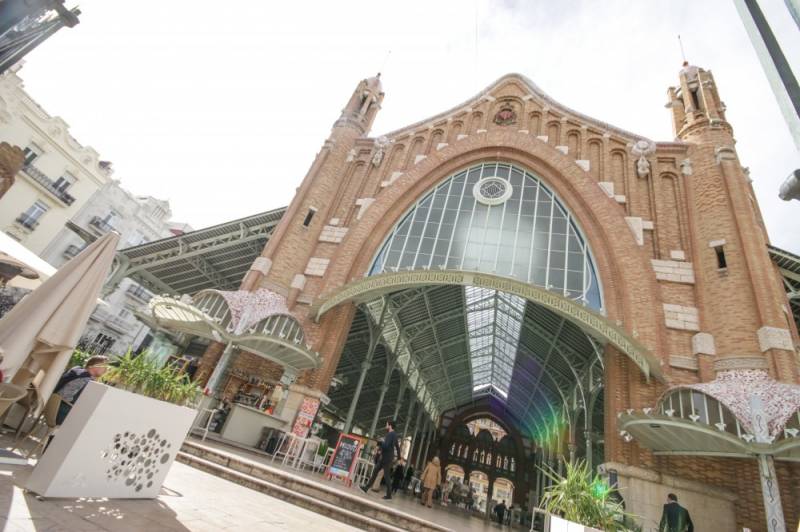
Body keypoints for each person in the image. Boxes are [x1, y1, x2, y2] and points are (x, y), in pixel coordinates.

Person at [53, 355, 108, 425]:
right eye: (104, 366)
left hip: (54, 408)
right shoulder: (84, 378)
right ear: (95, 366)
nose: (106, 370)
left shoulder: (78, 372)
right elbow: (63, 395)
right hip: (60, 412)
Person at [361, 420, 401, 500]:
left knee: (386, 476)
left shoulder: (390, 434)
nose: (386, 425)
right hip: (388, 457)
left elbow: (386, 446)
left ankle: (389, 495)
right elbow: (397, 447)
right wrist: (399, 457)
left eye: (387, 424)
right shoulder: (395, 435)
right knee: (376, 471)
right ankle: (366, 487)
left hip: (386, 458)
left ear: (390, 426)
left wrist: (380, 443)